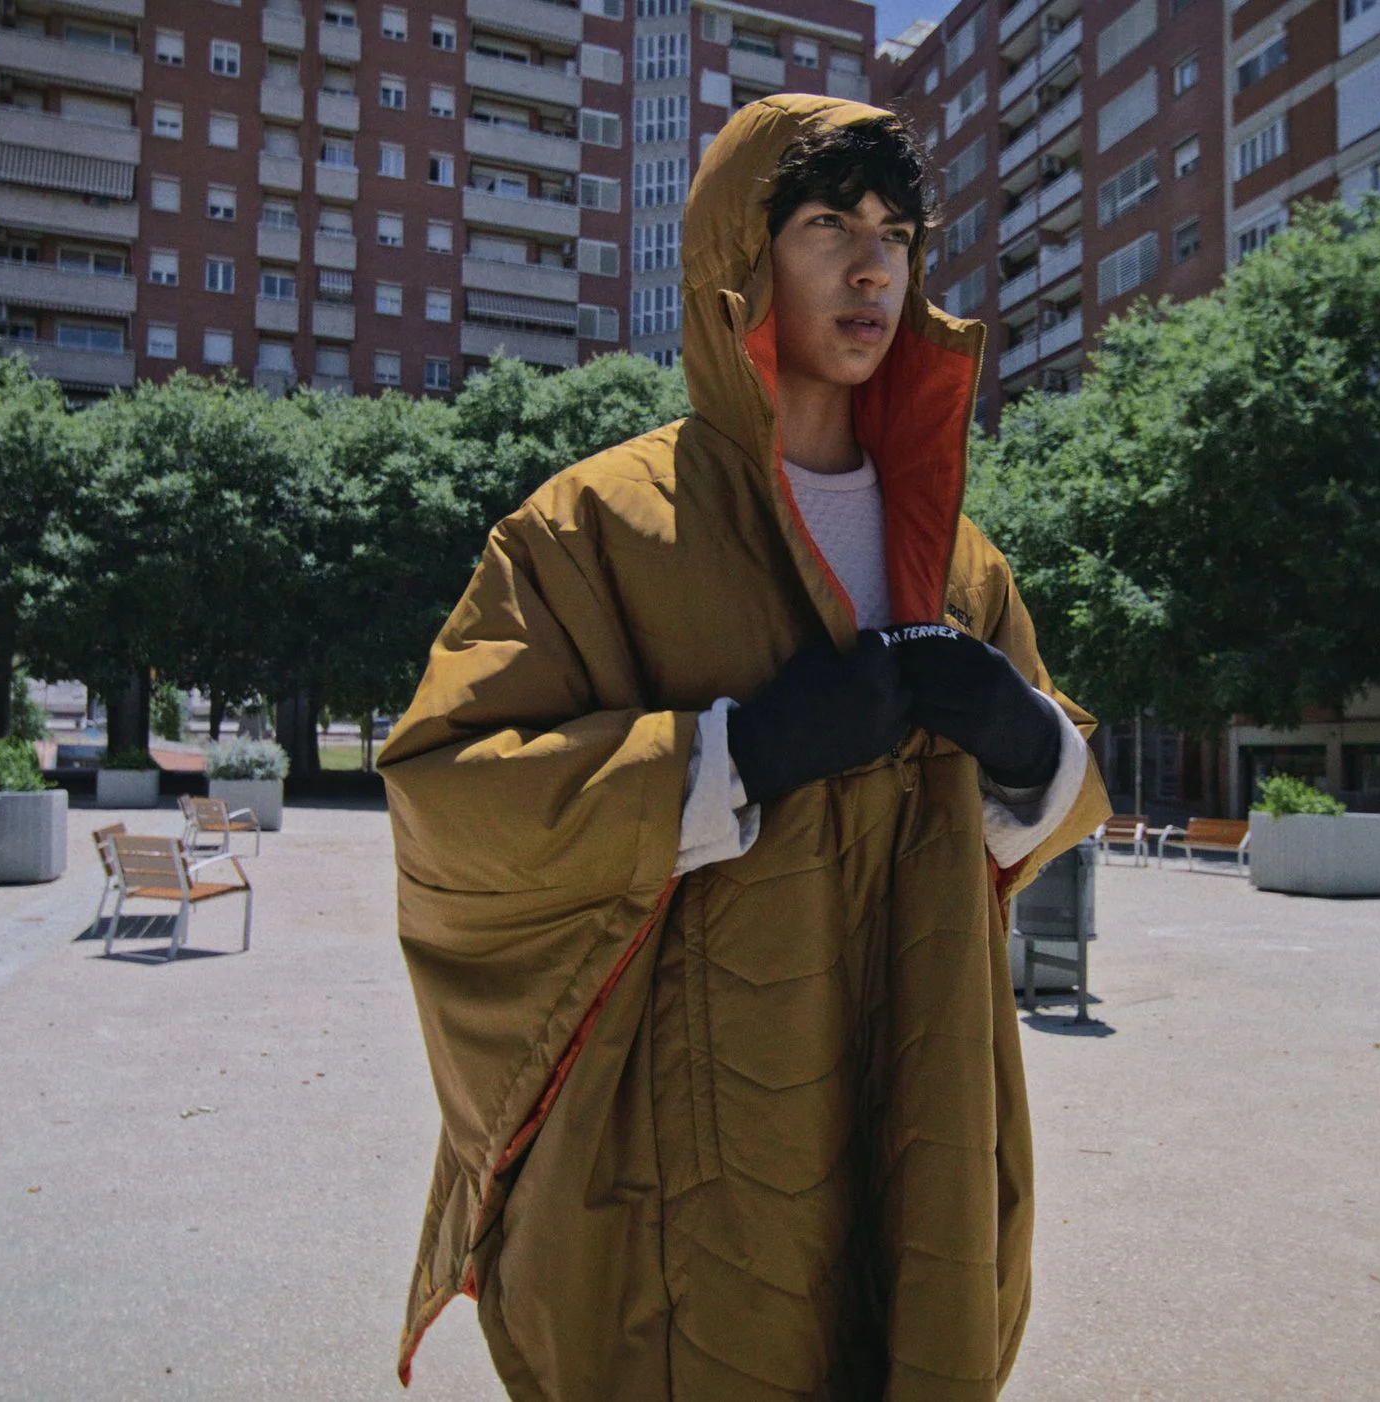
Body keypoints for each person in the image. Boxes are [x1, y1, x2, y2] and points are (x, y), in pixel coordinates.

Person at [381, 93, 1111, 1400]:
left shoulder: (961, 560)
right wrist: (732, 755)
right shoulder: (591, 531)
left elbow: (1041, 820)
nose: (874, 267)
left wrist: (1030, 743)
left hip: (918, 1106)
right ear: (740, 256)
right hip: (694, 1158)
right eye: (829, 225)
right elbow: (447, 797)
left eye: (897, 234)